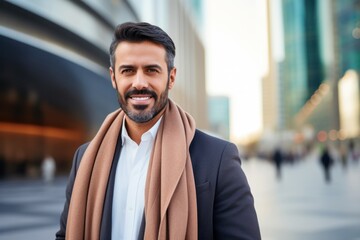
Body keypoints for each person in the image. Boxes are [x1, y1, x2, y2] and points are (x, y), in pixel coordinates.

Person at [56, 22, 260, 240]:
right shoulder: (85, 158)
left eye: (151, 70)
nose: (140, 82)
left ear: (171, 78)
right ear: (114, 77)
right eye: (128, 71)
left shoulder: (218, 158)